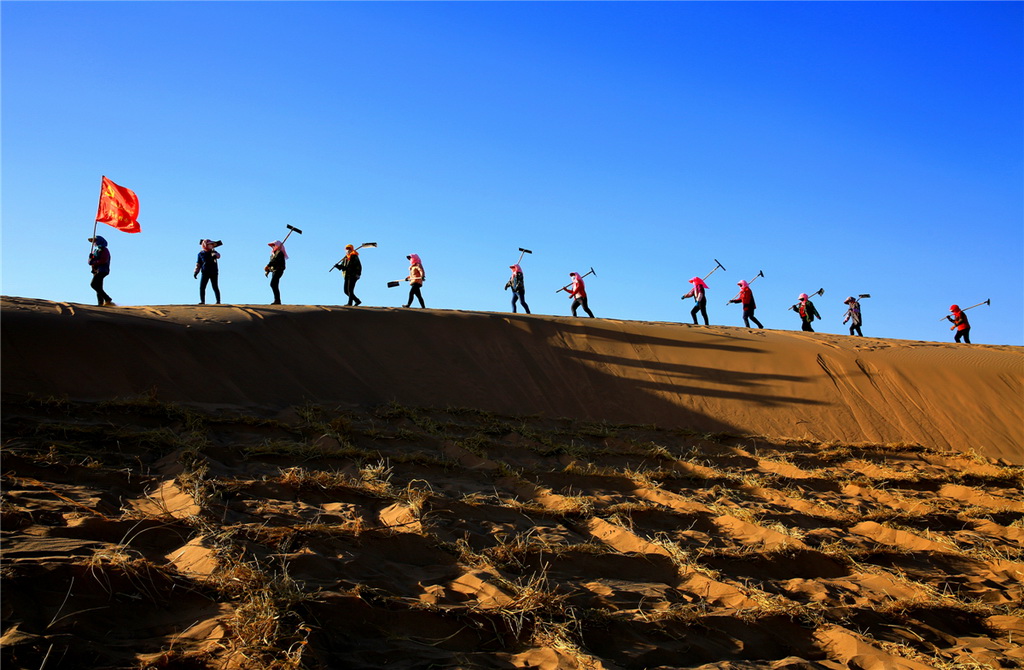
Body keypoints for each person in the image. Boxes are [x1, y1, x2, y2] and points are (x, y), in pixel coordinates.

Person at [88, 236, 114, 306]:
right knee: (98, 287)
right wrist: (90, 259)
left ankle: (107, 299)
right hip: (97, 270)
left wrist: (93, 262)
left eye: (95, 241)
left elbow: (103, 260)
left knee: (93, 284)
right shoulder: (96, 250)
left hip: (102, 270)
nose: (94, 243)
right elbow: (91, 261)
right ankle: (101, 303)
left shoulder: (104, 250)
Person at [194, 239, 222, 305]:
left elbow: (218, 255)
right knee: (202, 287)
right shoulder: (201, 254)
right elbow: (198, 264)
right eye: (210, 244)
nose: (211, 245)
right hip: (205, 272)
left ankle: (218, 301)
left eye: (212, 244)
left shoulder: (213, 252)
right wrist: (196, 272)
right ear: (205, 245)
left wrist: (215, 255)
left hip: (214, 272)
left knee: (215, 286)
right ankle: (202, 301)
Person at [265, 240, 287, 305]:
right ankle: (277, 300)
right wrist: (268, 270)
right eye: (272, 246)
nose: (272, 247)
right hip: (274, 271)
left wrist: (267, 265)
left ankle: (277, 300)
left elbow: (274, 261)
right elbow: (272, 263)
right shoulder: (273, 254)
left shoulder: (280, 253)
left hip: (279, 270)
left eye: (274, 245)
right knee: (274, 284)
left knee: (273, 284)